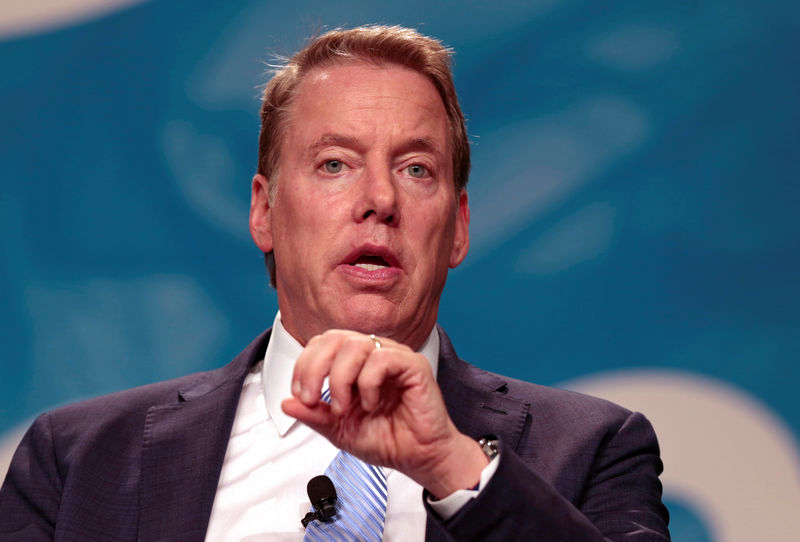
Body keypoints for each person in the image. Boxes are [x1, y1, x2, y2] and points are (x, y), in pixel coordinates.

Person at [0, 25, 670, 541]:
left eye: (415, 169)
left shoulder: (592, 448)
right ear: (263, 210)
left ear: (459, 226)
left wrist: (452, 468)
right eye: (334, 164)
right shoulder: (78, 459)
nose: (379, 198)